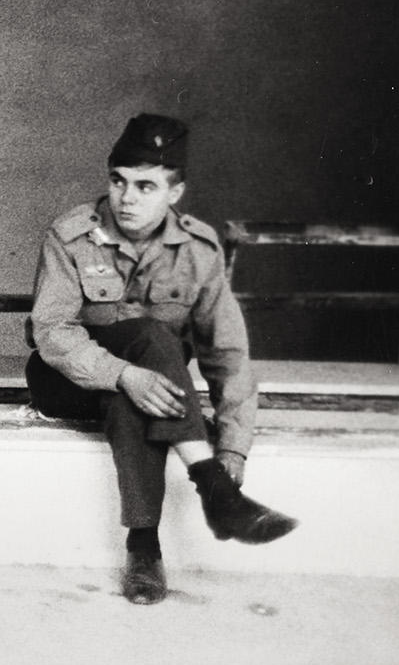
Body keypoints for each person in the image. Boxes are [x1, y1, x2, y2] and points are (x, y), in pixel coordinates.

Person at [26, 113, 297, 605]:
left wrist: (234, 446)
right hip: (65, 380)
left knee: (140, 382)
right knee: (150, 341)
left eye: (145, 186)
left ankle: (143, 550)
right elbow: (52, 332)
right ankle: (215, 490)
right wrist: (123, 373)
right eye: (118, 181)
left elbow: (227, 353)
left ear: (175, 193)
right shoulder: (71, 236)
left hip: (142, 396)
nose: (126, 198)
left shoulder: (198, 251)